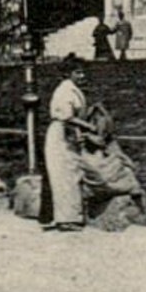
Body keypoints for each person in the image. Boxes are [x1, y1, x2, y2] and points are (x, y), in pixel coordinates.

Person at [43, 63, 102, 232]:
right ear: (68, 74)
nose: (82, 76)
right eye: (78, 72)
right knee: (64, 176)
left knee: (71, 173)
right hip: (60, 134)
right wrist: (89, 127)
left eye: (83, 73)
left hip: (67, 134)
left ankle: (69, 217)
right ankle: (66, 219)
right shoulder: (65, 91)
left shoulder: (72, 90)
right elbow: (67, 116)